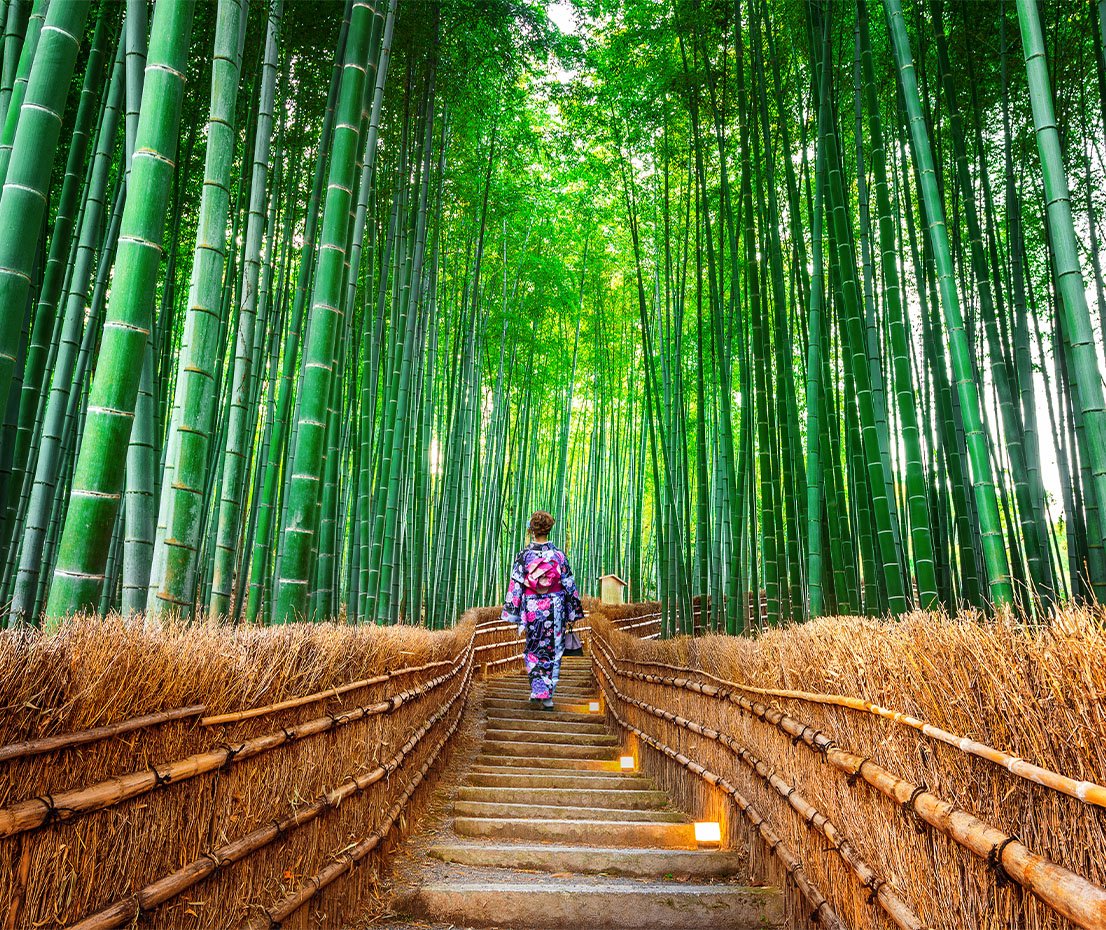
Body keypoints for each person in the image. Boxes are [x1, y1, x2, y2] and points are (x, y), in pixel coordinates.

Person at [501, 511, 584, 709]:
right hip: (555, 608)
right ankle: (547, 695)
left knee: (534, 647)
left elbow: (517, 585)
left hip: (532, 607)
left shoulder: (524, 555)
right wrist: (572, 612)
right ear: (549, 529)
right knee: (554, 649)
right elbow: (568, 584)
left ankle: (537, 688)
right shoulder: (558, 556)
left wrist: (514, 611)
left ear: (531, 530)